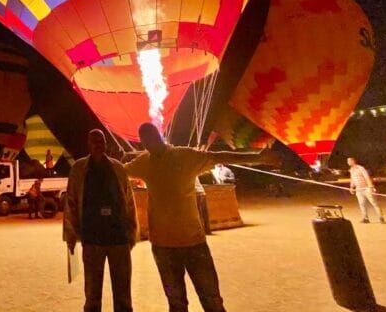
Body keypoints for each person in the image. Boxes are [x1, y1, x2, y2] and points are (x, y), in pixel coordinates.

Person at [125, 123, 279, 312]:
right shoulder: (143, 163)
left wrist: (256, 158)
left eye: (150, 137)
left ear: (159, 135)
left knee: (211, 299)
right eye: (144, 139)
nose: (148, 142)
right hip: (163, 246)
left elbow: (219, 157)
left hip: (193, 243)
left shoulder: (185, 156)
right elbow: (118, 171)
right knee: (176, 303)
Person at [64, 129, 137, 312]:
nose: (98, 144)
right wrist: (70, 234)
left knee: (123, 292)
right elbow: (71, 202)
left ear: (106, 143)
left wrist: (132, 232)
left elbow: (129, 201)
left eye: (101, 141)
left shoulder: (118, 168)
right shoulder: (79, 169)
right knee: (92, 291)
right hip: (92, 239)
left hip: (118, 238)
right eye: (94, 141)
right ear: (88, 144)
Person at [347, 157, 384, 224]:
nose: (348, 162)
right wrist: (351, 187)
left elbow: (366, 177)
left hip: (366, 188)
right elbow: (352, 179)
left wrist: (371, 187)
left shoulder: (360, 168)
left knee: (374, 203)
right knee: (362, 204)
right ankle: (365, 218)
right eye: (348, 161)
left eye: (349, 161)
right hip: (359, 189)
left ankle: (381, 217)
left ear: (353, 161)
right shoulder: (351, 170)